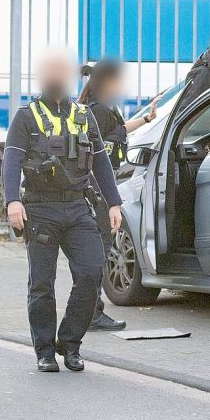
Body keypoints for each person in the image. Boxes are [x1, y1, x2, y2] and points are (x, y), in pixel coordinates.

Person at [2, 48, 123, 373]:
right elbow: (11, 159)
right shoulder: (26, 117)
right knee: (42, 283)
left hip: (77, 207)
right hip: (40, 208)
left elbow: (100, 161)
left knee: (92, 272)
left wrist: (114, 202)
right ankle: (44, 351)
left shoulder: (84, 116)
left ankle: (69, 343)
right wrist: (12, 199)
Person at [77, 58, 157, 332]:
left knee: (98, 251)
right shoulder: (97, 111)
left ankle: (89, 311)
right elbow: (97, 151)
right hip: (98, 189)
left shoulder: (100, 108)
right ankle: (91, 312)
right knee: (98, 252)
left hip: (100, 186)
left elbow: (117, 133)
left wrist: (146, 119)